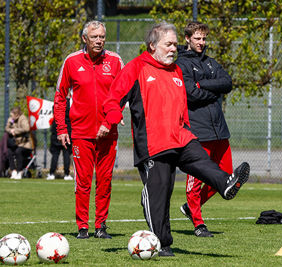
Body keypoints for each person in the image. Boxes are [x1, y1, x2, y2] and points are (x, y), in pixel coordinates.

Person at [100, 22, 250, 257]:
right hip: (153, 145)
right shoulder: (136, 67)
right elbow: (113, 98)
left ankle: (226, 183)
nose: (174, 49)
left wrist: (187, 127)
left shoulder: (177, 71)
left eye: (174, 44)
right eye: (168, 44)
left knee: (202, 162)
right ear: (152, 45)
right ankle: (162, 242)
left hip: (181, 137)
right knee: (160, 196)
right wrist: (113, 115)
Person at [54, 20, 124, 239]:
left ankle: (101, 226)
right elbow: (60, 97)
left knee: (105, 181)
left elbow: (123, 95)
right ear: (84, 38)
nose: (99, 41)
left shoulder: (115, 61)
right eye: (95, 37)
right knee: (83, 182)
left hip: (108, 133)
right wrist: (61, 129)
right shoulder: (71, 61)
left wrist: (110, 121)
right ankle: (83, 228)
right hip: (81, 133)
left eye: (102, 36)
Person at [175, 21, 233, 237]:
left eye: (204, 38)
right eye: (197, 38)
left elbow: (227, 83)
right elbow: (191, 94)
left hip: (220, 130)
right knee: (196, 180)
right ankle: (199, 224)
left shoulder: (211, 63)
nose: (202, 42)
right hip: (198, 132)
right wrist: (212, 89)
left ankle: (190, 208)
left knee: (227, 178)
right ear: (187, 39)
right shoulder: (181, 64)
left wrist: (204, 85)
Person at [47, 98, 73, 181]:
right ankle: (66, 174)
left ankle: (51, 173)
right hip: (67, 130)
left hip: (57, 130)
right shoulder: (70, 104)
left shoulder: (57, 103)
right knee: (66, 153)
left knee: (55, 154)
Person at [5, 107, 33, 180]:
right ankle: (13, 170)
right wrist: (11, 130)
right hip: (15, 143)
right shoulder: (11, 119)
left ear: (16, 114)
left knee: (18, 151)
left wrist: (15, 131)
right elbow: (7, 128)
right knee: (9, 151)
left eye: (12, 115)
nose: (11, 117)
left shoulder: (23, 118)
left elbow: (26, 128)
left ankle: (20, 171)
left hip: (25, 144)